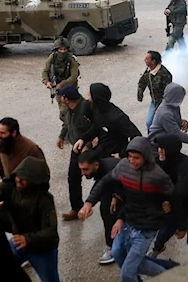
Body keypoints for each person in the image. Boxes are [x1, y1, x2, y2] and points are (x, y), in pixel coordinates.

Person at [78, 137, 186, 282]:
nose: (132, 161)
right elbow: (104, 182)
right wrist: (89, 203)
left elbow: (174, 197)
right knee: (118, 254)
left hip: (147, 227)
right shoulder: (123, 166)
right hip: (128, 221)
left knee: (127, 274)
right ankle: (171, 273)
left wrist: (181, 225)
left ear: (145, 157)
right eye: (129, 157)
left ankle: (170, 277)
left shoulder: (158, 176)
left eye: (136, 158)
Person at [0, 156, 60, 282]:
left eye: (24, 179)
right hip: (18, 242)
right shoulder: (8, 186)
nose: (19, 180)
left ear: (35, 181)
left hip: (43, 249)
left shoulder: (45, 200)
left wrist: (27, 239)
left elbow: (51, 232)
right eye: (18, 176)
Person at [149, 135, 188, 259]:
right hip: (174, 205)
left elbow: (179, 193)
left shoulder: (185, 165)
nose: (160, 150)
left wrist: (182, 226)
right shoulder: (157, 163)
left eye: (163, 148)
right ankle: (157, 249)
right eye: (159, 148)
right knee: (162, 234)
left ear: (171, 149)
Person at [55, 86, 94, 221]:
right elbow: (66, 124)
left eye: (62, 96)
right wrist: (61, 136)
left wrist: (88, 145)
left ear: (66, 98)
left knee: (98, 177)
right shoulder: (69, 109)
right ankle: (76, 208)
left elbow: (96, 128)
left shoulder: (86, 108)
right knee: (73, 176)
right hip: (76, 147)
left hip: (91, 149)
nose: (60, 99)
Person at [72, 83, 142, 158]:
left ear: (96, 98)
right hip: (102, 149)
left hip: (112, 156)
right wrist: (83, 139)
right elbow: (97, 126)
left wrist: (122, 154)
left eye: (90, 95)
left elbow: (137, 137)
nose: (88, 99)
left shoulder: (117, 117)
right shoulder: (98, 110)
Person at [77, 152, 121, 264]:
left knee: (109, 211)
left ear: (96, 165)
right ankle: (112, 244)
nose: (83, 173)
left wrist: (116, 196)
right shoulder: (101, 168)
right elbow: (100, 184)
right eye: (81, 169)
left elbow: (118, 183)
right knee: (106, 209)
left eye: (85, 169)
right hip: (114, 188)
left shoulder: (110, 168)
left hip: (125, 190)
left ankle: (113, 247)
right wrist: (89, 203)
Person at [148, 82, 188, 147]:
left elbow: (172, 121)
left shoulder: (173, 105)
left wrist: (181, 122)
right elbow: (177, 135)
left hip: (168, 141)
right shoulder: (165, 113)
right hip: (157, 145)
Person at [0, 117, 45, 185]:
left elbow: (43, 174)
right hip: (8, 187)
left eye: (2, 133)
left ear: (13, 133)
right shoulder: (0, 140)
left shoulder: (31, 148)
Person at [41, 37, 80, 128]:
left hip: (70, 87)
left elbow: (74, 76)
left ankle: (68, 129)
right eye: (60, 49)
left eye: (64, 49)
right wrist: (47, 82)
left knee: (69, 110)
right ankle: (69, 127)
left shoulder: (71, 59)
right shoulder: (53, 57)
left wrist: (62, 84)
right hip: (57, 87)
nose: (62, 52)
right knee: (63, 110)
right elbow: (45, 71)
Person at [137, 51, 173, 133]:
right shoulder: (149, 70)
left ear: (153, 62)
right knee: (149, 123)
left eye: (147, 59)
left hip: (165, 103)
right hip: (154, 101)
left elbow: (168, 93)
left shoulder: (164, 74)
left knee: (165, 123)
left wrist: (159, 108)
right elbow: (143, 81)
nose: (144, 60)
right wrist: (140, 94)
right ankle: (151, 141)